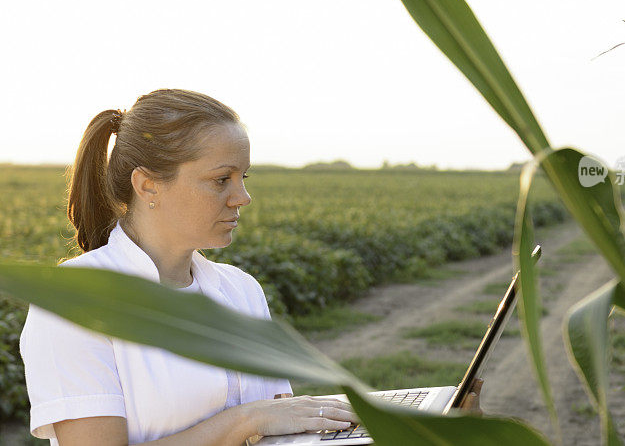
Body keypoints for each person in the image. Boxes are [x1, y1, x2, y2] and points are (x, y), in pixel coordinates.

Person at [19, 88, 482, 446]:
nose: (242, 197)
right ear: (148, 185)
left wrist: (421, 428)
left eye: (244, 177)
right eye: (221, 179)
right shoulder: (74, 305)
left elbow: (282, 429)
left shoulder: (240, 291)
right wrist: (245, 421)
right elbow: (260, 420)